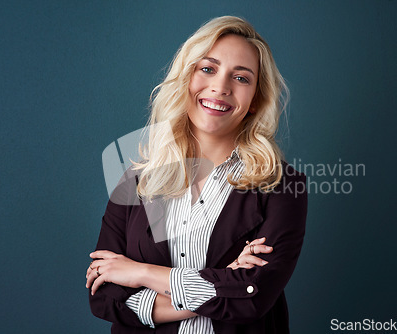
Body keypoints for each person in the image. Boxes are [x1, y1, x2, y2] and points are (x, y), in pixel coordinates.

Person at [86, 16, 307, 334]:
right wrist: (223, 282)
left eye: (241, 78)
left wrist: (141, 273)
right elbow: (105, 298)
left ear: (256, 100)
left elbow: (250, 297)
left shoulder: (284, 186)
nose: (221, 87)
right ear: (186, 78)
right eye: (208, 68)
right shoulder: (136, 181)